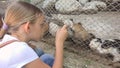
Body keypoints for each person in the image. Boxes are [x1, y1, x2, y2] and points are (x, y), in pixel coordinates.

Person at [0, 1, 68, 68]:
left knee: (41, 53)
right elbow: (24, 53)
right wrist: (59, 43)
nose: (44, 27)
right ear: (28, 27)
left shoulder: (6, 39)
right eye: (41, 24)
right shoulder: (22, 50)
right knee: (47, 59)